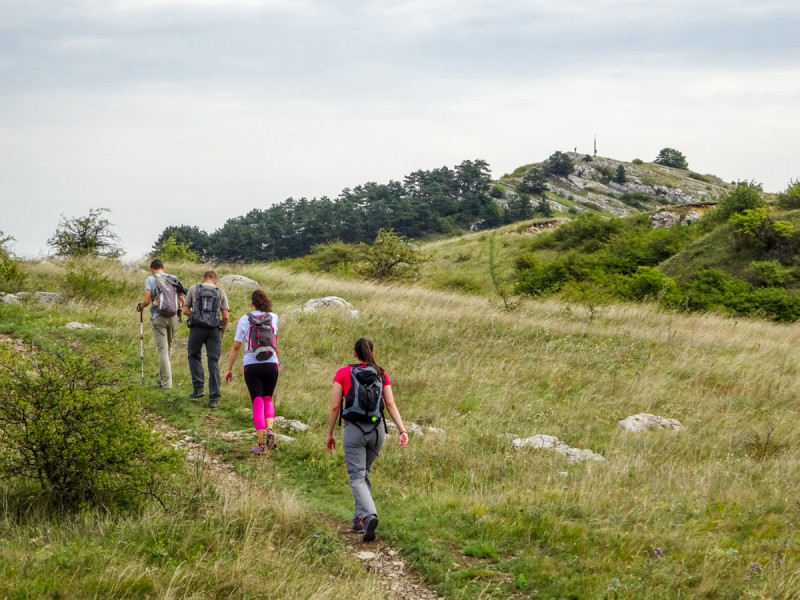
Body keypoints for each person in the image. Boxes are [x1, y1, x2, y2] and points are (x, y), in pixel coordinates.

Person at [326, 337, 409, 542]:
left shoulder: (343, 372)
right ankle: (359, 521)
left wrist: (330, 434)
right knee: (363, 474)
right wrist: (402, 430)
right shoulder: (381, 374)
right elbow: (390, 404)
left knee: (356, 476)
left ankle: (369, 515)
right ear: (372, 352)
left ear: (354, 353)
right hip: (377, 431)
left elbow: (336, 406)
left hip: (354, 430)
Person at [224, 289, 279, 454]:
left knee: (257, 402)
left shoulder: (245, 319)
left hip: (252, 364)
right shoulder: (273, 317)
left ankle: (261, 445)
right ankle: (270, 430)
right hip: (271, 363)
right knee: (268, 398)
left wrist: (229, 368)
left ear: (252, 303)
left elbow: (236, 345)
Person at [182, 270, 230, 408]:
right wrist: (223, 331)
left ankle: (198, 389)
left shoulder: (193, 289)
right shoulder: (220, 292)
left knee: (193, 355)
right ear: (215, 281)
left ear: (203, 279)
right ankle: (214, 398)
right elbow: (226, 316)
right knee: (213, 361)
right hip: (214, 330)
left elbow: (185, 310)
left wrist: (196, 317)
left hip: (197, 328)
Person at [137, 259, 186, 390]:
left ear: (152, 269)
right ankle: (162, 378)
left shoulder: (151, 279)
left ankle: (166, 384)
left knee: (162, 350)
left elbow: (147, 300)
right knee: (169, 349)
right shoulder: (173, 278)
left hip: (158, 317)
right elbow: (182, 298)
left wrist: (141, 307)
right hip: (173, 316)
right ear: (163, 268)